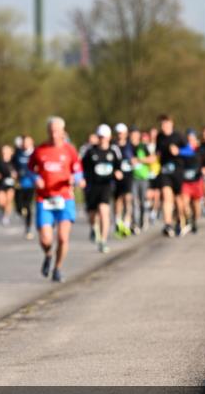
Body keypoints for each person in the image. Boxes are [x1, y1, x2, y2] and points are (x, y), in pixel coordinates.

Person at [30, 117, 84, 282]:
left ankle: (58, 268)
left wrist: (75, 179)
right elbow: (30, 169)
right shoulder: (40, 150)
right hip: (44, 199)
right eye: (51, 130)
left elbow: (78, 171)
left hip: (64, 199)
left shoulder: (70, 150)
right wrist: (35, 178)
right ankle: (48, 254)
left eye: (57, 130)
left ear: (62, 131)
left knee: (62, 238)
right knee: (46, 239)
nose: (54, 134)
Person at [81, 124, 123, 253]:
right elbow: (81, 167)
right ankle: (94, 227)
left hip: (106, 185)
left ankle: (103, 241)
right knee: (92, 214)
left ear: (109, 137)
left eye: (104, 137)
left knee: (104, 210)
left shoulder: (113, 151)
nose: (102, 139)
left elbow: (119, 166)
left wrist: (118, 173)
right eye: (100, 137)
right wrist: (82, 179)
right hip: (92, 186)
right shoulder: (90, 151)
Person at [155, 114, 186, 237]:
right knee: (167, 196)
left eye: (166, 123)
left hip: (177, 171)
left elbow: (190, 151)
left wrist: (179, 151)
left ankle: (180, 220)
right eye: (162, 124)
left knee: (179, 200)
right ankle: (167, 224)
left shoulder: (179, 136)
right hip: (165, 171)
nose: (164, 126)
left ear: (171, 124)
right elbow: (158, 154)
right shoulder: (159, 137)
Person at [179, 129, 205, 234]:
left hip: (197, 181)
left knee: (196, 206)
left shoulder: (200, 151)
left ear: (196, 140)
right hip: (185, 182)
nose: (190, 141)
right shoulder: (183, 151)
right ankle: (189, 218)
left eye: (192, 139)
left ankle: (195, 220)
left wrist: (204, 168)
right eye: (188, 139)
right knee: (184, 204)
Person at [112, 123, 135, 238]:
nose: (120, 135)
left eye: (122, 133)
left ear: (126, 134)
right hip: (116, 177)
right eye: (118, 133)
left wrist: (135, 161)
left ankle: (127, 223)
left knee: (128, 198)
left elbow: (138, 157)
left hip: (128, 175)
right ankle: (118, 221)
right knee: (118, 199)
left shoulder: (131, 145)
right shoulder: (113, 146)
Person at [14, 135, 36, 239]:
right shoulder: (18, 153)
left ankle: (28, 228)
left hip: (31, 184)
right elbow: (12, 164)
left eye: (27, 142)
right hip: (19, 183)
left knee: (27, 205)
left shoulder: (35, 153)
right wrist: (13, 171)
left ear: (32, 142)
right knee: (19, 207)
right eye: (24, 142)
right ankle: (22, 213)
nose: (25, 144)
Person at [0, 145, 17, 226]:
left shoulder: (14, 162)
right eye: (3, 152)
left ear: (11, 152)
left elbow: (19, 171)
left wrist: (15, 175)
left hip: (10, 184)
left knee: (8, 201)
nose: (4, 153)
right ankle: (1, 210)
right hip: (1, 184)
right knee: (1, 201)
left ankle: (6, 217)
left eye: (6, 151)